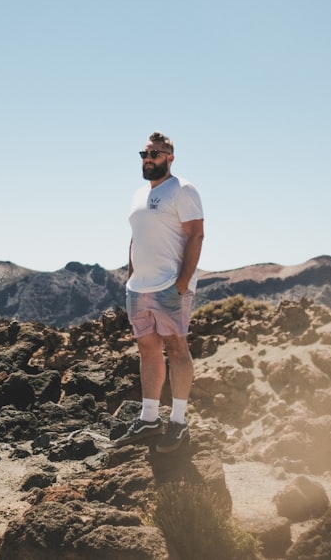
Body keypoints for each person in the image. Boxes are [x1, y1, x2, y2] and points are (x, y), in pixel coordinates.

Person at [114, 131, 204, 453]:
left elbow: (196, 236)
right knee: (148, 350)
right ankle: (149, 418)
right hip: (139, 288)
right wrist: (130, 275)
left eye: (155, 153)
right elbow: (135, 238)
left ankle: (178, 422)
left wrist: (181, 284)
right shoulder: (139, 195)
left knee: (177, 349)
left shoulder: (182, 190)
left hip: (169, 286)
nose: (148, 158)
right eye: (144, 153)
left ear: (170, 157)